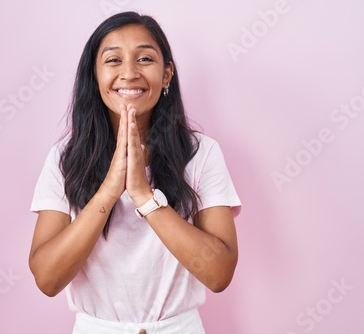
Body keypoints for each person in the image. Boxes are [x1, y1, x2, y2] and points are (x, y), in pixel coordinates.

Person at [29, 11, 241, 334]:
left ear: (166, 74)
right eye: (113, 60)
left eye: (144, 58)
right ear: (95, 74)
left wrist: (145, 197)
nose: (129, 73)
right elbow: (47, 278)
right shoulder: (64, 158)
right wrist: (109, 190)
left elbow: (219, 274)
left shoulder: (201, 154)